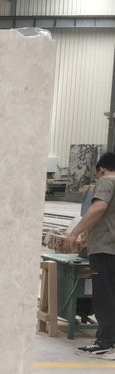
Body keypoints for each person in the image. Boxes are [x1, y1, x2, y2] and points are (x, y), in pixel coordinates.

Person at [66, 151, 115, 357]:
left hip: (105, 248)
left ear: (101, 170)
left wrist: (75, 232)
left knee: (105, 298)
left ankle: (105, 343)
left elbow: (99, 207)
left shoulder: (106, 181)